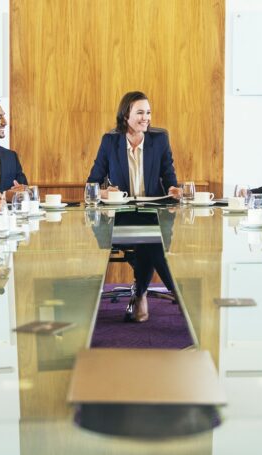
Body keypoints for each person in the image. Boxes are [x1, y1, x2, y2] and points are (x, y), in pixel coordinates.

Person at [87, 91, 181, 322]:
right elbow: (92, 184)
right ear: (125, 115)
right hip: (120, 217)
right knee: (151, 241)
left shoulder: (159, 139)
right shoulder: (110, 141)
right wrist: (103, 191)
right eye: (140, 112)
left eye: (148, 112)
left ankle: (140, 294)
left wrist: (173, 189)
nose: (146, 118)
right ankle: (177, 294)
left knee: (150, 237)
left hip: (153, 214)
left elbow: (169, 176)